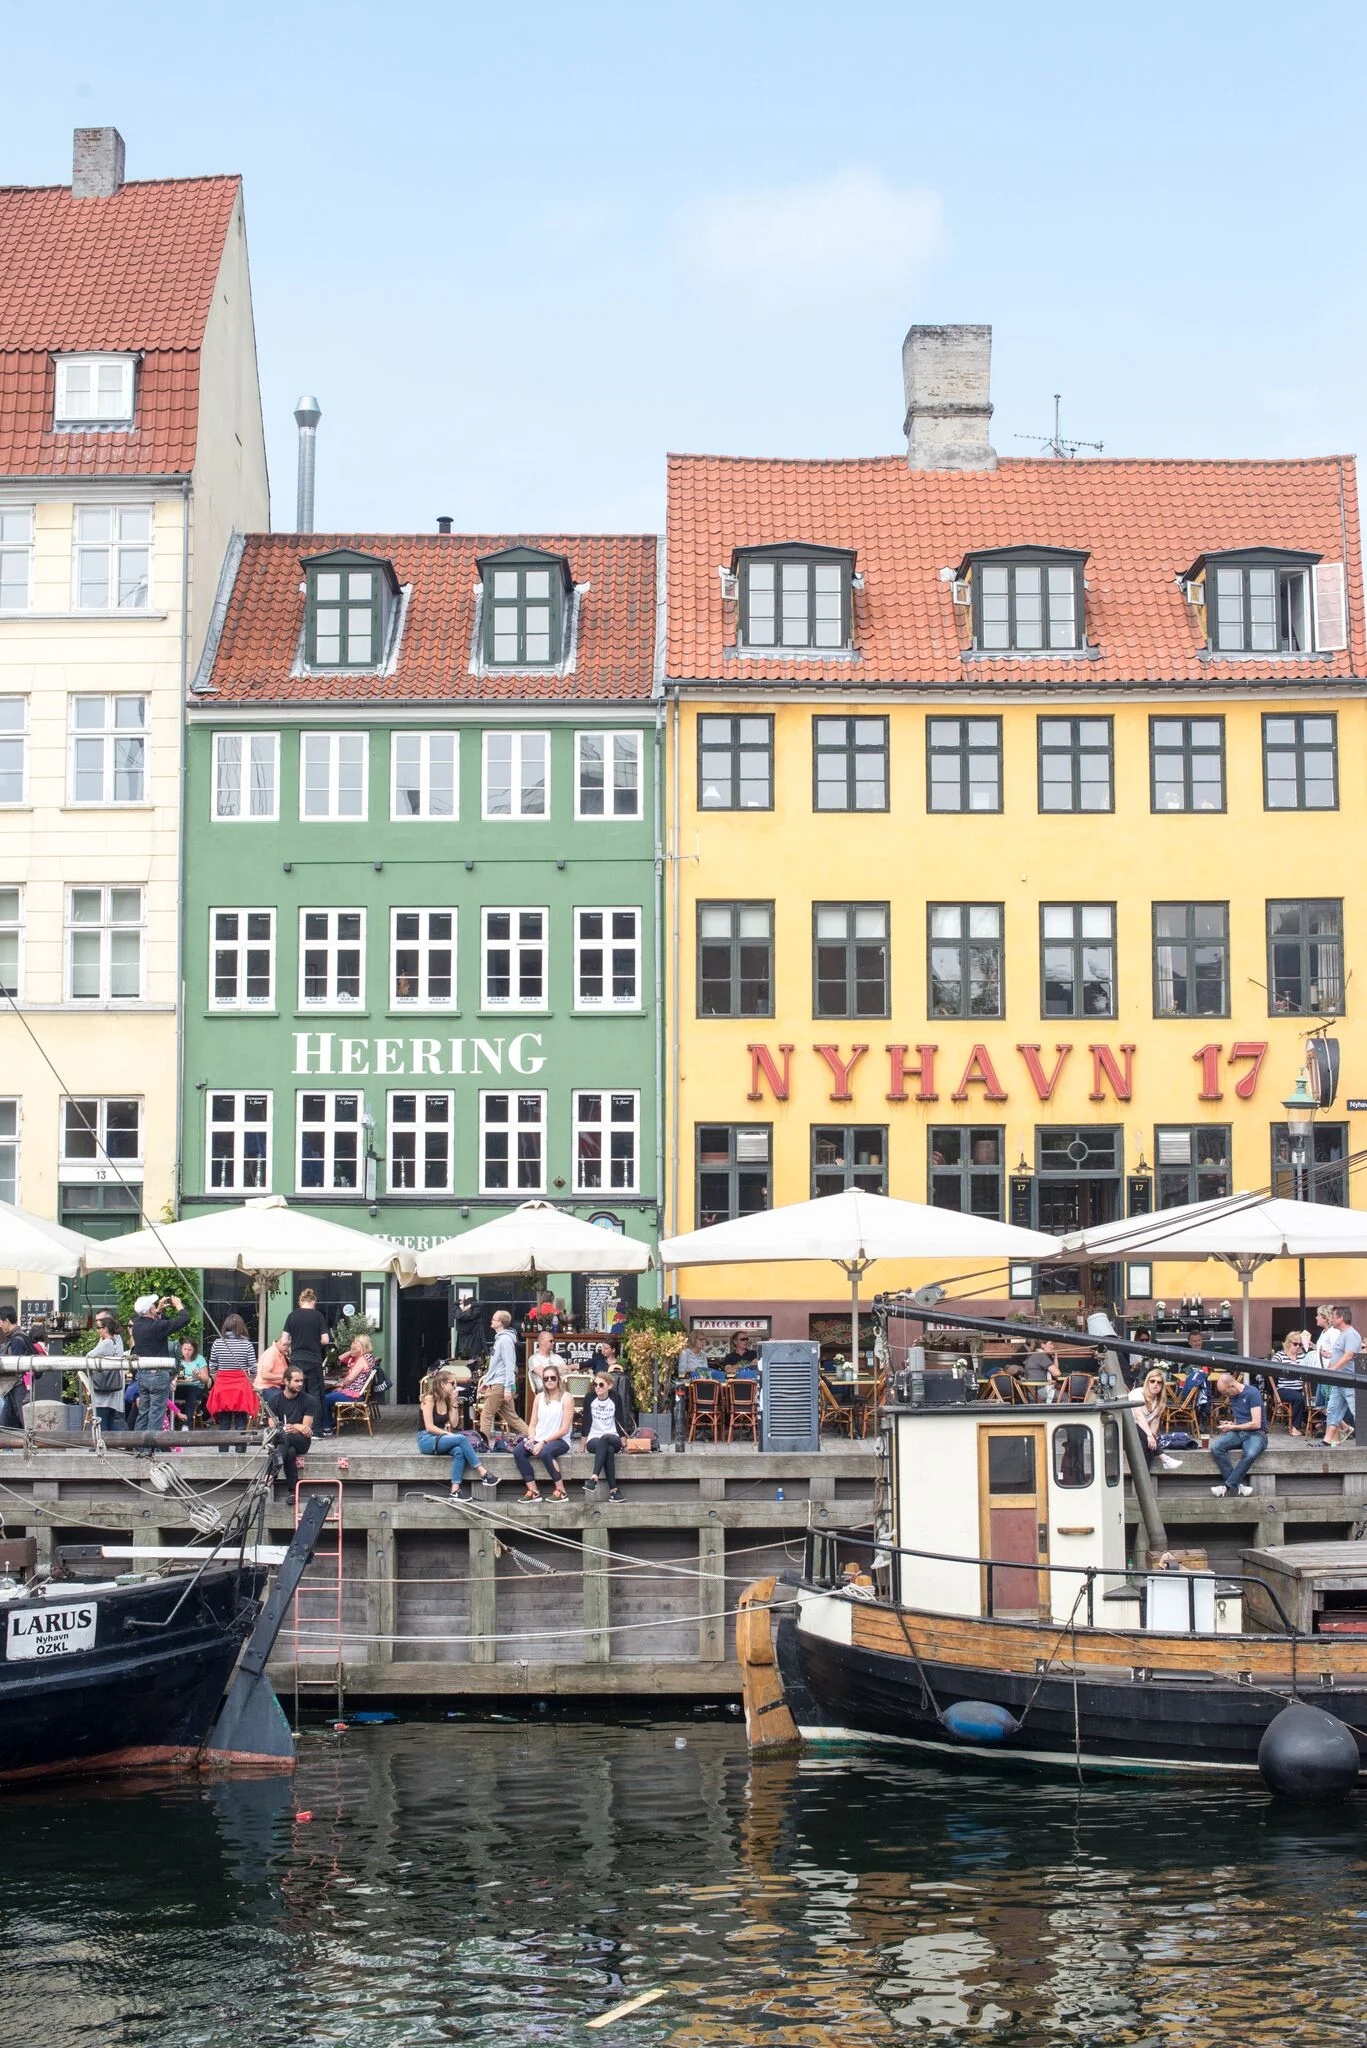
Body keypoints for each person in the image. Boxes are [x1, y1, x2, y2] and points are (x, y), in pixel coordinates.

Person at [418, 1367, 499, 1498]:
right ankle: (483, 1473)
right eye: (452, 1383)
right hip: (426, 1439)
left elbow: (454, 1423)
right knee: (460, 1438)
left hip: (440, 1438)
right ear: (443, 1384)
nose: (455, 1387)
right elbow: (429, 1427)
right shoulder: (429, 1399)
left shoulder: (447, 1400)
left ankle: (455, 1489)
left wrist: (454, 1403)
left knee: (459, 1451)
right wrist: (449, 1435)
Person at [130, 1293, 191, 1435]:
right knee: (156, 1414)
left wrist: (158, 1311)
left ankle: (138, 1444)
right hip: (158, 1375)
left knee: (143, 1413)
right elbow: (184, 1319)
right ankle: (150, 1446)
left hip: (143, 1374)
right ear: (150, 1310)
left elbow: (152, 1323)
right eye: (153, 1306)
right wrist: (178, 1305)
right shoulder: (157, 1326)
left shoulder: (136, 1325)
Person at [513, 1364, 574, 1501]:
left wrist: (543, 1442)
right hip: (539, 1438)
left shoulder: (566, 1398)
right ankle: (533, 1491)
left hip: (560, 1440)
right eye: (546, 1379)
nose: (549, 1381)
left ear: (558, 1379)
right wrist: (531, 1438)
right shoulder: (539, 1397)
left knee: (545, 1452)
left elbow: (564, 1429)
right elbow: (532, 1424)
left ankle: (561, 1490)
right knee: (518, 1451)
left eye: (553, 1378)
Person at [262, 1365, 320, 1490]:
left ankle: (271, 1472)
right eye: (296, 1381)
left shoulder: (309, 1400)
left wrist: (293, 1427)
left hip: (301, 1441)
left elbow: (306, 1429)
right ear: (286, 1381)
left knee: (285, 1437)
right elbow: (273, 1427)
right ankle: (293, 1492)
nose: (300, 1384)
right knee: (290, 1452)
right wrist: (296, 1426)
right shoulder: (274, 1401)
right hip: (283, 1441)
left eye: (301, 1381)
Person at [1209, 1373, 1267, 1497]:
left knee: (1250, 1454)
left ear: (1232, 1386)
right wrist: (1231, 1424)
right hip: (1239, 1432)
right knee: (1216, 1447)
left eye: (1225, 1392)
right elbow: (1239, 1419)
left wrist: (1233, 1427)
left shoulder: (1252, 1393)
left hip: (1256, 1434)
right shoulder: (1233, 1395)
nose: (1226, 1396)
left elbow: (1256, 1423)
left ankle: (1226, 1487)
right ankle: (1239, 1485)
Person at [580, 1366, 633, 1501]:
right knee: (608, 1450)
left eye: (601, 1385)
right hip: (594, 1438)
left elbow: (620, 1420)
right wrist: (582, 1447)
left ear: (609, 1386)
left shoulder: (615, 1397)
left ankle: (594, 1477)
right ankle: (614, 1491)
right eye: (595, 1384)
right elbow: (586, 1423)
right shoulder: (589, 1398)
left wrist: (624, 1444)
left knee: (606, 1438)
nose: (597, 1387)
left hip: (612, 1436)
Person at [206, 1314, 259, 1447]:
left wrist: (217, 1379)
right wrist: (251, 1380)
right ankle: (240, 1450)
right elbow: (253, 1367)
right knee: (241, 1421)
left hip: (223, 1385)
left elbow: (212, 1366)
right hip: (241, 1385)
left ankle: (223, 1452)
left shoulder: (217, 1343)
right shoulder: (247, 1344)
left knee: (224, 1421)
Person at [477, 1310, 526, 1440]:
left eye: (493, 1319)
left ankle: (483, 1444)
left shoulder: (504, 1340)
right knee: (512, 1417)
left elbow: (509, 1365)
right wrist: (487, 1381)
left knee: (486, 1415)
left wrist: (508, 1388)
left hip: (500, 1384)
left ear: (500, 1322)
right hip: (501, 1383)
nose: (491, 1321)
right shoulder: (502, 1339)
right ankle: (534, 1437)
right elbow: (496, 1365)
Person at [283, 1287, 332, 1412]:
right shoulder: (318, 1316)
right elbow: (325, 1340)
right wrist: (315, 1341)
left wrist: (295, 1341)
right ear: (313, 1301)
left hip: (297, 1360)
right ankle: (315, 1423)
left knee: (298, 1391)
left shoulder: (292, 1316)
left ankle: (299, 1420)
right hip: (314, 1360)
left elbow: (284, 1341)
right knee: (314, 1393)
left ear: (300, 1301)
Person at [1129, 1369, 1182, 1471]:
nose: (1155, 1384)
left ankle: (1144, 1478)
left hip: (1141, 1435)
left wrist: (1152, 1438)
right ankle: (1164, 1458)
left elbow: (1155, 1422)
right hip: (1126, 1430)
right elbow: (1139, 1417)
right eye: (1152, 1381)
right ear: (1147, 1382)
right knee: (1136, 1427)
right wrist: (1149, 1436)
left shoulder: (1159, 1400)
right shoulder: (1137, 1393)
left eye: (1159, 1382)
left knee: (1146, 1446)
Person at [86, 1312, 128, 1435]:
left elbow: (89, 1355)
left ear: (105, 1329)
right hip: (112, 1390)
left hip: (102, 1390)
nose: (97, 1330)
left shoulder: (106, 1343)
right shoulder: (116, 1341)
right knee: (110, 1421)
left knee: (101, 1424)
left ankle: (102, 1442)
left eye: (99, 1328)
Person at [324, 1333, 375, 1429]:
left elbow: (350, 1378)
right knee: (326, 1394)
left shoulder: (362, 1359)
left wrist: (342, 1385)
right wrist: (352, 1351)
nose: (353, 1347)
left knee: (323, 1399)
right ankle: (331, 1423)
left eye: (356, 1345)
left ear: (362, 1345)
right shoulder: (367, 1357)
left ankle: (327, 1426)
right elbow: (340, 1359)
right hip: (356, 1393)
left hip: (353, 1395)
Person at [1270, 1330, 1311, 1436]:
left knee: (1310, 1399)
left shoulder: (1302, 1356)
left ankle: (1315, 1425)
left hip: (1300, 1388)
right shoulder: (1280, 1355)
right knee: (1299, 1398)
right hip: (1284, 1389)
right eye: (1295, 1344)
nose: (1297, 1347)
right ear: (1288, 1343)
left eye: (1300, 1344)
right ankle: (1295, 1427)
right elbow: (1272, 1365)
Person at [0, 1311, 33, 1430]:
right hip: (13, 1386)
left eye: (1, 1322)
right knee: (7, 1421)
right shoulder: (20, 1336)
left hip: (18, 1385)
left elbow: (16, 1364)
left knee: (24, 1420)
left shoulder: (17, 1340)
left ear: (7, 1321)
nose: (0, 1325)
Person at [174, 1336, 210, 1431]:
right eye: (184, 1349)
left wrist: (199, 1376)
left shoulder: (200, 1359)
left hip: (196, 1386)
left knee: (192, 1394)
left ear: (194, 1350)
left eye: (189, 1350)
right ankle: (169, 1422)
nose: (186, 1352)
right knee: (168, 1392)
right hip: (180, 1386)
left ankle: (186, 1424)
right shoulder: (178, 1359)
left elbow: (206, 1380)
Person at [527, 1328, 568, 1398]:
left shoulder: (557, 1357)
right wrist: (559, 1369)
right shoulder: (534, 1358)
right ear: (542, 1342)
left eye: (553, 1341)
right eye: (551, 1341)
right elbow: (546, 1376)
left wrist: (557, 1370)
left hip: (562, 1388)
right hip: (544, 1391)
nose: (553, 1343)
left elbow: (567, 1370)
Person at [254, 1327, 291, 1393]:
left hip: (276, 1387)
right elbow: (265, 1375)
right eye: (287, 1345)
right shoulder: (271, 1353)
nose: (288, 1349)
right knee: (283, 1396)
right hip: (265, 1387)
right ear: (281, 1342)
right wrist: (285, 1376)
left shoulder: (281, 1354)